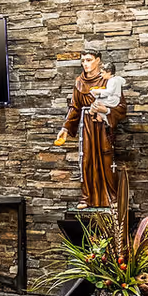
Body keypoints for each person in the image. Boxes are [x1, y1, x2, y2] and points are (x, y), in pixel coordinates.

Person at [52, 44, 126, 209]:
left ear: (98, 61)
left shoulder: (109, 80)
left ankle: (112, 198)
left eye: (89, 60)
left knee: (107, 161)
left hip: (103, 126)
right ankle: (87, 198)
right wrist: (65, 129)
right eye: (83, 60)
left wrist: (105, 111)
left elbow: (121, 108)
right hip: (86, 126)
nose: (85, 64)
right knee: (86, 161)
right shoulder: (79, 82)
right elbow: (75, 108)